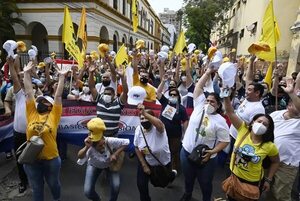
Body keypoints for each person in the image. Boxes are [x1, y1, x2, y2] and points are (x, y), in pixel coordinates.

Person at [180, 68, 230, 201]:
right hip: (186, 152)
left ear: (218, 105)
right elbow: (198, 87)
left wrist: (212, 152)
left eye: (212, 102)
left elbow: (225, 141)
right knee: (188, 178)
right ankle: (188, 194)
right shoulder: (199, 106)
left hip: (206, 158)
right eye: (207, 100)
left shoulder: (221, 121)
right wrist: (208, 72)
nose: (208, 103)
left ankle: (206, 198)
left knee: (205, 183)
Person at [223, 91, 280, 201]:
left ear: (268, 129)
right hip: (234, 177)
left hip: (252, 183)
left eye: (265, 124)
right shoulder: (243, 130)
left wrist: (268, 179)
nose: (261, 125)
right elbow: (230, 112)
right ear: (253, 122)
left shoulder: (269, 146)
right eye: (259, 121)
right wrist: (226, 96)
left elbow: (275, 161)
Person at [23, 61, 67, 201]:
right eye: (39, 101)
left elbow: (58, 96)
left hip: (51, 160)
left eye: (43, 101)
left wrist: (61, 77)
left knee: (53, 184)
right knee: (36, 188)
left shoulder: (54, 115)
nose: (39, 102)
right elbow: (29, 93)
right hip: (31, 160)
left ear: (50, 106)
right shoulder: (32, 113)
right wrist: (26, 73)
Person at [77, 117, 129, 201]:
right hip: (94, 165)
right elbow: (80, 156)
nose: (103, 146)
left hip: (109, 165)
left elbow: (126, 142)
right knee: (87, 191)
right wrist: (86, 148)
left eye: (103, 143)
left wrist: (115, 154)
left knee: (116, 186)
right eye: (100, 146)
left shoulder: (109, 141)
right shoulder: (89, 146)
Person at [266, 78, 300, 201]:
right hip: (269, 159)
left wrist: (292, 92)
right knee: (268, 189)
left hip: (286, 165)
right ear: (289, 104)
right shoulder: (276, 114)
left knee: (281, 195)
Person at [134, 104, 176, 201]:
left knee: (161, 184)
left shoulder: (158, 129)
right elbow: (136, 147)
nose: (144, 120)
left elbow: (159, 124)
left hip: (162, 163)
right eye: (142, 118)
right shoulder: (138, 130)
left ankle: (172, 175)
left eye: (146, 118)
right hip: (147, 161)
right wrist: (144, 165)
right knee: (141, 185)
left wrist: (144, 112)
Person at [157, 74, 189, 172]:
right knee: (163, 152)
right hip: (163, 134)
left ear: (178, 97)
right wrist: (163, 81)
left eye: (174, 95)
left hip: (175, 135)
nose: (172, 96)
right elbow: (158, 92)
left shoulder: (182, 109)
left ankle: (174, 170)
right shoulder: (165, 102)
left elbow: (185, 121)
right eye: (171, 94)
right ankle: (162, 168)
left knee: (174, 153)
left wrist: (185, 134)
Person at [89, 65, 128, 137]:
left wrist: (122, 77)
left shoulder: (118, 103)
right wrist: (91, 73)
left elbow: (125, 92)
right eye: (105, 93)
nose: (106, 95)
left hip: (113, 136)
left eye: (109, 94)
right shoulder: (99, 99)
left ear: (114, 95)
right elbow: (91, 87)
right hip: (99, 135)